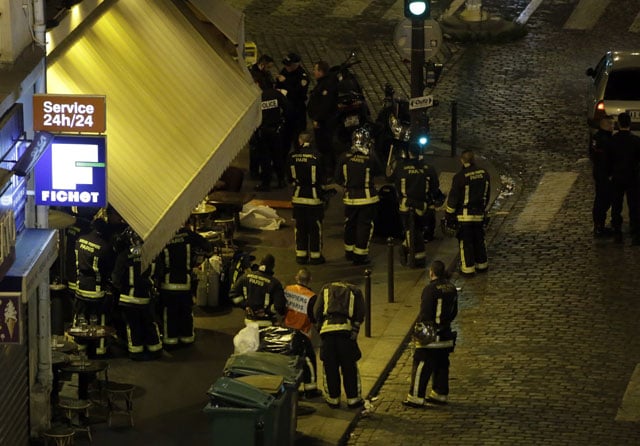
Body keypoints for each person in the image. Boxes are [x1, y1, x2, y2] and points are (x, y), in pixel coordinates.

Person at [403, 260, 458, 408]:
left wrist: (420, 330)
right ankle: (440, 394)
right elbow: (454, 312)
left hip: (432, 336)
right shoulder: (452, 288)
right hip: (446, 334)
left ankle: (416, 397)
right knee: (441, 363)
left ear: (432, 272)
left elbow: (425, 313)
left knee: (421, 362)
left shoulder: (430, 289)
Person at [156, 224, 213, 347]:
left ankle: (170, 340)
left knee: (169, 313)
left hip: (167, 284)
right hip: (185, 282)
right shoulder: (189, 235)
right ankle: (187, 337)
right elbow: (208, 248)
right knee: (186, 312)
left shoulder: (161, 236)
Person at [111, 227, 163, 361]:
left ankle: (136, 352)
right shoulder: (152, 254)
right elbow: (159, 274)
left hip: (128, 299)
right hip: (146, 297)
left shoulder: (124, 255)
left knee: (133, 326)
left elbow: (116, 278)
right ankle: (155, 349)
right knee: (150, 324)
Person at [314, 281, 366, 409]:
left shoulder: (325, 288)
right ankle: (353, 399)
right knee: (349, 367)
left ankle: (333, 399)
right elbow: (360, 313)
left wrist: (320, 328)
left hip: (327, 333)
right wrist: (355, 329)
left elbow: (317, 311)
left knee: (329, 367)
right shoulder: (354, 290)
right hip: (345, 333)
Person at [74, 211, 117, 356]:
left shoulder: (80, 240)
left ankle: (80, 347)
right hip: (97, 290)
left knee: (81, 318)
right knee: (98, 319)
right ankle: (99, 348)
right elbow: (109, 268)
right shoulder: (104, 247)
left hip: (81, 287)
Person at [335, 127, 381, 265]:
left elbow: (337, 177)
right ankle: (360, 255)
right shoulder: (370, 157)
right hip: (367, 198)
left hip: (350, 198)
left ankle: (349, 252)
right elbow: (379, 170)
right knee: (364, 227)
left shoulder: (344, 157)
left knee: (350, 224)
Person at [395, 142, 441, 268]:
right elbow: (435, 187)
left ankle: (409, 252)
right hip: (422, 206)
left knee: (411, 231)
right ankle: (416, 257)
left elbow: (397, 186)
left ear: (409, 153)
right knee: (417, 231)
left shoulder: (401, 168)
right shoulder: (427, 168)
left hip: (405, 205)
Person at [444, 150, 490, 275]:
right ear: (473, 159)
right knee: (479, 240)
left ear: (462, 160)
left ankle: (468, 269)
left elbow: (453, 199)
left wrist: (449, 215)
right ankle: (482, 264)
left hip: (465, 216)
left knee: (466, 242)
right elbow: (487, 194)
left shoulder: (460, 177)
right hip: (479, 214)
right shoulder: (484, 173)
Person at [289, 132, 327, 265]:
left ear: (300, 141)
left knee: (300, 227)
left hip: (298, 197)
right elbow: (323, 176)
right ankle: (316, 256)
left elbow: (289, 177)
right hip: (314, 197)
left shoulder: (292, 156)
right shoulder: (317, 156)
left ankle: (301, 255)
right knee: (315, 228)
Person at [282, 268, 321, 398]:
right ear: (310, 280)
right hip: (302, 332)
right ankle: (310, 390)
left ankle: (292, 389)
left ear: (296, 278)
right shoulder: (311, 297)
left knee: (291, 361)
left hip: (287, 331)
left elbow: (282, 308)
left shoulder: (288, 289)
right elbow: (313, 317)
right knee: (308, 360)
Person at [252, 74, 291, 191]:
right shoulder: (276, 94)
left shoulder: (257, 97)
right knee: (277, 155)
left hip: (262, 131)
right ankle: (281, 180)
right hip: (276, 130)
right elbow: (288, 108)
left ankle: (266, 183)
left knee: (265, 158)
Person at [608, 112, 640, 244]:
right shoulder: (636, 141)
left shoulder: (613, 141)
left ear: (618, 124)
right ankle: (636, 234)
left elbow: (608, 160)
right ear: (630, 124)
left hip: (617, 176)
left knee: (616, 205)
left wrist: (609, 174)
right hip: (632, 177)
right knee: (634, 206)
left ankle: (617, 232)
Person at [229, 254, 286, 327]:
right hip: (266, 321)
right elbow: (279, 306)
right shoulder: (275, 283)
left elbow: (233, 294)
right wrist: (266, 311)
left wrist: (245, 305)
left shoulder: (246, 277)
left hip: (249, 320)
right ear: (272, 266)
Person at [307, 60, 338, 178]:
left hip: (325, 122)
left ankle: (328, 171)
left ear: (321, 72)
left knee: (325, 146)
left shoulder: (327, 85)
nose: (314, 72)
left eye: (315, 70)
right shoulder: (324, 83)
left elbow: (326, 105)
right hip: (322, 121)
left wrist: (317, 119)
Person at [276, 52, 310, 154]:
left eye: (289, 65)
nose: (286, 67)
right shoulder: (285, 71)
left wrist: (285, 82)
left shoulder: (302, 77)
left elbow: (297, 93)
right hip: (286, 109)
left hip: (297, 109)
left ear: (296, 65)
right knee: (284, 136)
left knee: (297, 137)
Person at [590, 116, 614, 237]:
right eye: (611, 124)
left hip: (598, 172)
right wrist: (610, 174)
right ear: (606, 125)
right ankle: (599, 227)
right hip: (605, 174)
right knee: (604, 200)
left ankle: (598, 225)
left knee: (600, 198)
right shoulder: (607, 140)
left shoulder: (596, 137)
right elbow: (607, 159)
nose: (613, 127)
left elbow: (593, 154)